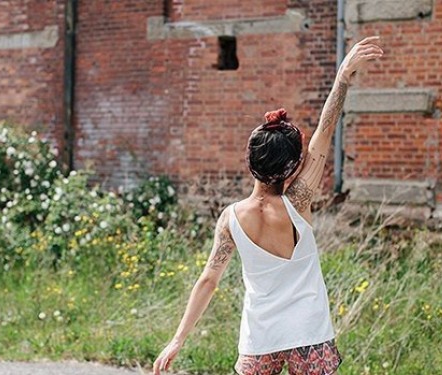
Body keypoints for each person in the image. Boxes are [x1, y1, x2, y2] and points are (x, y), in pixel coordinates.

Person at [152, 36, 384, 375]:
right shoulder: (299, 202)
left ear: (249, 160)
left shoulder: (230, 219)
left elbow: (208, 280)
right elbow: (325, 128)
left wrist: (177, 339)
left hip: (259, 341)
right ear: (292, 167)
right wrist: (342, 76)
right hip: (310, 336)